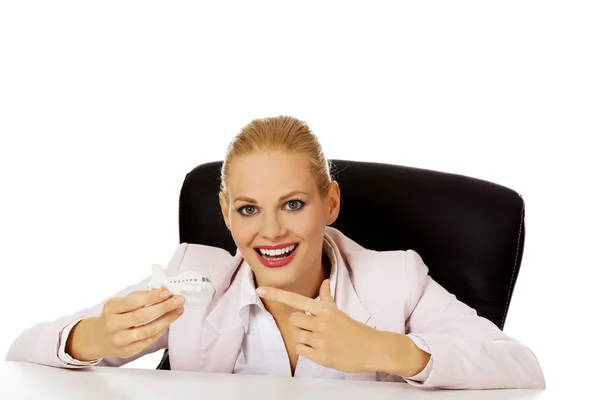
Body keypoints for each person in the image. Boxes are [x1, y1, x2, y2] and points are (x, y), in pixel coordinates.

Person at [5, 116, 545, 390]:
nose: (270, 231)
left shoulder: (394, 280)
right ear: (224, 212)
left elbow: (523, 367)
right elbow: (22, 353)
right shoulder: (194, 276)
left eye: (292, 203)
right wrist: (92, 338)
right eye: (247, 209)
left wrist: (386, 351)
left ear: (329, 201)